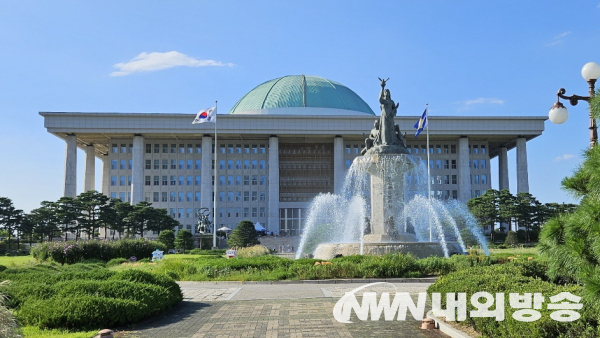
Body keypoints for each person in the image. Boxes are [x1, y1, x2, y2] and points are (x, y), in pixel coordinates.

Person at [378, 78, 400, 146]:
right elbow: (380, 99)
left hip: (390, 117)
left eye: (387, 92)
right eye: (385, 92)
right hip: (384, 116)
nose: (386, 93)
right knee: (385, 129)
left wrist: (395, 109)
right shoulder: (383, 101)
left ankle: (392, 142)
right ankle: (385, 142)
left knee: (391, 129)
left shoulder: (391, 102)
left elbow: (394, 110)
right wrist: (382, 87)